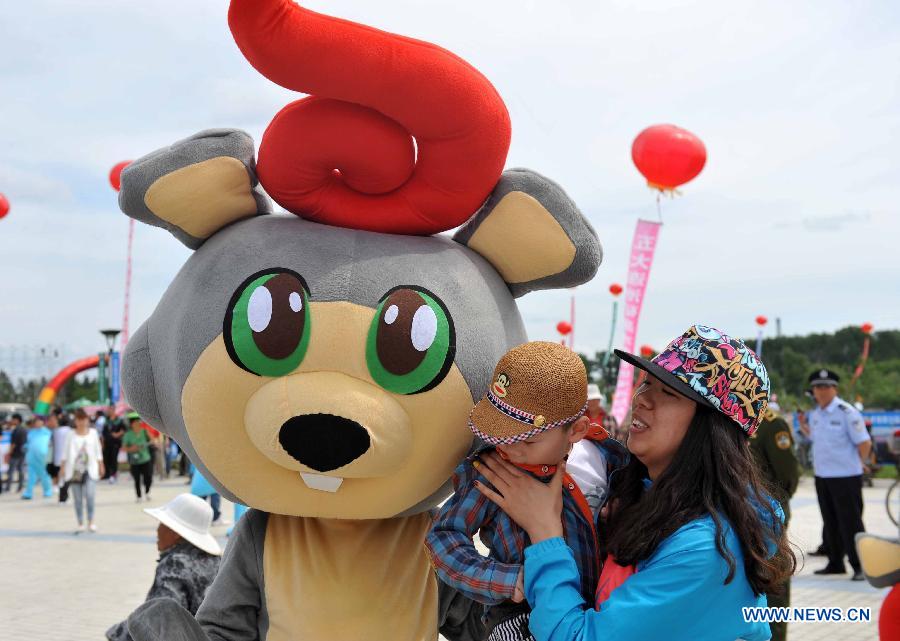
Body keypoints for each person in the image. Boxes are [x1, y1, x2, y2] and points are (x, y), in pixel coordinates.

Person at [473, 325, 795, 641]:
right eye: (646, 382)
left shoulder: (707, 551)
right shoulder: (653, 498)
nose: (641, 399)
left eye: (668, 392)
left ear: (711, 428)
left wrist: (544, 532)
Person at [427, 342, 626, 641]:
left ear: (576, 430)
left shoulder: (610, 458)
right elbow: (443, 537)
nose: (508, 446)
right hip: (522, 615)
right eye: (501, 432)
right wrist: (508, 580)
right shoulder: (492, 471)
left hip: (601, 607)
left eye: (527, 440)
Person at [106, 493, 222, 641]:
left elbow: (156, 618)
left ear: (175, 533)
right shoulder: (215, 560)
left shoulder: (175, 565)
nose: (157, 530)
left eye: (162, 524)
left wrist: (116, 635)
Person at [797, 369, 871, 581]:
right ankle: (835, 562)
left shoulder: (846, 412)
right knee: (830, 521)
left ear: (834, 389)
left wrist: (860, 463)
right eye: (817, 387)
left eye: (825, 386)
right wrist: (803, 426)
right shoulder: (816, 414)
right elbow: (816, 438)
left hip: (846, 476)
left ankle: (860, 566)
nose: (820, 391)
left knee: (851, 523)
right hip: (823, 476)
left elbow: (864, 442)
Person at [749, 401, 800, 641]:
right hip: (731, 515)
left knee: (772, 583)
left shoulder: (770, 423)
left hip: (766, 517)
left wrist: (773, 507)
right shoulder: (723, 413)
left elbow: (787, 473)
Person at [60, 408, 104, 533]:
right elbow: (65, 451)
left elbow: (98, 450)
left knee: (90, 495)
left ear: (87, 420)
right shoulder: (70, 434)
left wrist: (101, 465)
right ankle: (80, 522)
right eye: (78, 419)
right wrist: (62, 467)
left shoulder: (93, 433)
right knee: (78, 498)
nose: (81, 422)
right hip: (74, 470)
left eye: (83, 419)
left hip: (90, 468)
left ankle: (91, 521)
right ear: (75, 421)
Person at [123, 413, 154, 502]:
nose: (138, 424)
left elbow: (152, 440)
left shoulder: (144, 431)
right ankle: (139, 496)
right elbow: (124, 447)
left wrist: (146, 444)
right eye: (136, 422)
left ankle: (147, 492)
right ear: (132, 424)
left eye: (139, 422)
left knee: (148, 477)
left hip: (145, 458)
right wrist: (131, 448)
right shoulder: (128, 435)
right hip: (134, 460)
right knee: (137, 479)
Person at [22, 416, 53, 500]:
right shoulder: (31, 433)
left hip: (42, 457)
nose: (37, 423)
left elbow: (50, 443)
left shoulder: (47, 432)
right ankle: (28, 493)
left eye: (39, 421)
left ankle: (47, 490)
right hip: (31, 456)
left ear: (43, 422)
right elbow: (28, 443)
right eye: (36, 421)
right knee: (31, 475)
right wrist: (25, 447)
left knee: (44, 474)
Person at [48, 412, 72, 503]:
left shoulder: (59, 431)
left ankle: (63, 496)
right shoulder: (62, 431)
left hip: (59, 458)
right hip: (61, 458)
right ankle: (63, 496)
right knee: (64, 477)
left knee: (63, 477)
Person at [3, 413, 27, 492]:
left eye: (13, 419)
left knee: (11, 470)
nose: (12, 421)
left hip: (15, 453)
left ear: (17, 420)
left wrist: (9, 453)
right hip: (22, 452)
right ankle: (20, 486)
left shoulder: (16, 430)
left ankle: (8, 487)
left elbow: (13, 443)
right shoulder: (24, 430)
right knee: (20, 470)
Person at [102, 407, 126, 483]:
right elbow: (104, 432)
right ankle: (107, 474)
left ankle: (113, 474)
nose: (109, 411)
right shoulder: (107, 420)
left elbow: (124, 430)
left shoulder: (119, 420)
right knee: (107, 459)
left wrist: (117, 434)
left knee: (113, 459)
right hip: (107, 443)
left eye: (110, 410)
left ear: (113, 410)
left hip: (115, 443)